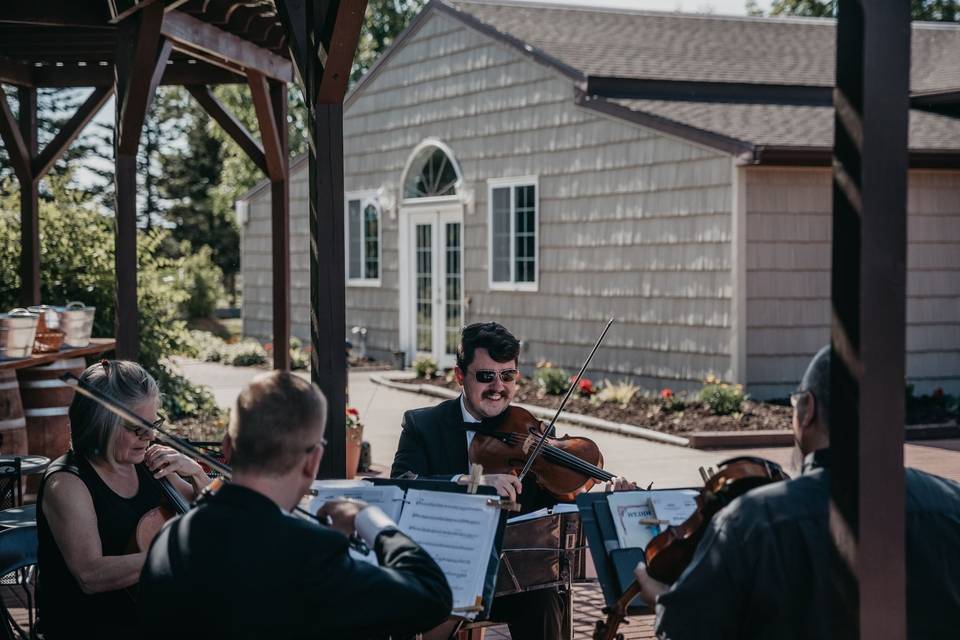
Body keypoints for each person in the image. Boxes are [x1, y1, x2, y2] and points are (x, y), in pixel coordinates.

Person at [633, 345, 960, 639]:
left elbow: (686, 632)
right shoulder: (952, 504)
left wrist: (661, 599)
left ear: (808, 411)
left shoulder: (750, 522)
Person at [139, 370, 452, 639]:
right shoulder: (312, 553)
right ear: (313, 461)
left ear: (227, 447)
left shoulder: (168, 538)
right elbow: (431, 594)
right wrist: (368, 518)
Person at [392, 322, 633, 639]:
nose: (498, 386)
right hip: (447, 571)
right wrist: (470, 482)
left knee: (544, 596)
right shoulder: (423, 425)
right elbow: (403, 483)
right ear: (460, 376)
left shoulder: (530, 429)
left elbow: (561, 501)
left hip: (513, 578)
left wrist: (610, 499)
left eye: (507, 375)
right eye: (485, 375)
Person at [37, 359, 211, 639]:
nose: (150, 436)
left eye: (153, 424)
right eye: (136, 427)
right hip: (90, 628)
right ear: (100, 422)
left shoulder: (150, 464)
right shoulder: (67, 482)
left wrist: (197, 474)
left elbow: (207, 517)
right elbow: (89, 575)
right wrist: (169, 557)